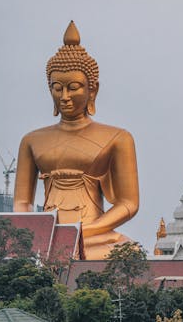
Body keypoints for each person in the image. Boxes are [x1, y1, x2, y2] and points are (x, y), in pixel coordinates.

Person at [13, 21, 139, 260]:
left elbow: (128, 203)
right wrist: (41, 235)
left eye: (74, 87)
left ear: (93, 90)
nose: (65, 97)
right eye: (57, 88)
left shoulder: (118, 138)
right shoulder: (31, 141)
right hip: (47, 238)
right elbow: (22, 203)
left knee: (126, 252)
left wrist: (79, 233)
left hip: (93, 236)